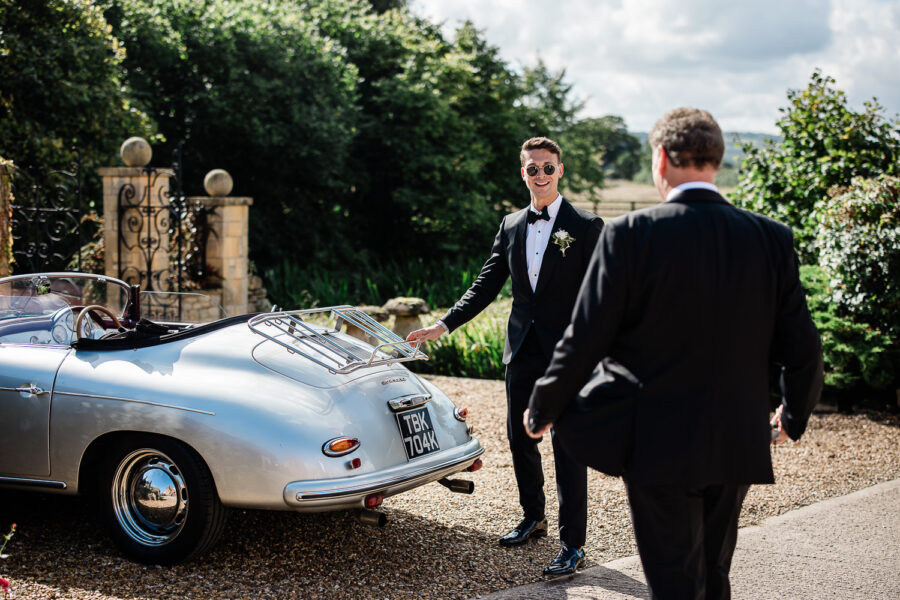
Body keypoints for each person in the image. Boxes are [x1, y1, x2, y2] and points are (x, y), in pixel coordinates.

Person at [525, 108, 824, 599]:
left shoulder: (630, 234)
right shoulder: (770, 237)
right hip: (736, 433)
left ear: (661, 158)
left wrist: (543, 406)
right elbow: (804, 347)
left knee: (674, 582)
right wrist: (793, 414)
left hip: (656, 437)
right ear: (717, 161)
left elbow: (586, 336)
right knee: (714, 572)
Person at [406, 137, 603, 577]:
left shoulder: (586, 225)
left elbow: (604, 292)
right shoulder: (512, 224)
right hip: (522, 350)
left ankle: (573, 544)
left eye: (548, 168)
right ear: (523, 173)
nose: (540, 175)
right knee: (520, 437)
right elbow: (486, 284)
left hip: (567, 354)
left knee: (568, 445)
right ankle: (533, 517)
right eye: (532, 168)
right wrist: (443, 325)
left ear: (560, 170)